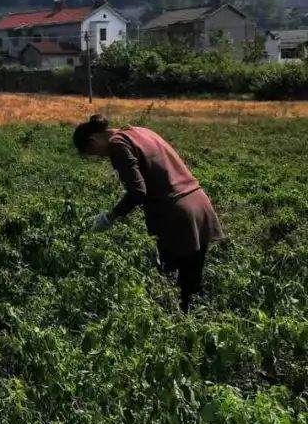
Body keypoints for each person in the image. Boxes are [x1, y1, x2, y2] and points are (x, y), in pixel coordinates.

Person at [72, 115, 224, 312]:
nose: (101, 157)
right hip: (198, 204)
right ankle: (202, 325)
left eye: (94, 153)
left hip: (176, 215)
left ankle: (180, 333)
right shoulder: (140, 131)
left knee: (171, 284)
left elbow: (138, 192)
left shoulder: (117, 144)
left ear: (93, 141)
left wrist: (110, 216)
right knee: (192, 282)